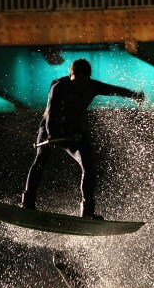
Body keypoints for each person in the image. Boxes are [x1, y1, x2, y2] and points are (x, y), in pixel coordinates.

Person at [21, 59, 145, 219]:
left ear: (88, 78)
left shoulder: (93, 86)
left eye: (82, 82)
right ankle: (27, 203)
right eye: (75, 81)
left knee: (89, 167)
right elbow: (51, 113)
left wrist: (134, 96)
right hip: (49, 131)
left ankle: (88, 212)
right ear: (70, 75)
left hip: (73, 133)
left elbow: (114, 90)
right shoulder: (59, 86)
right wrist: (52, 134)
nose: (77, 86)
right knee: (40, 160)